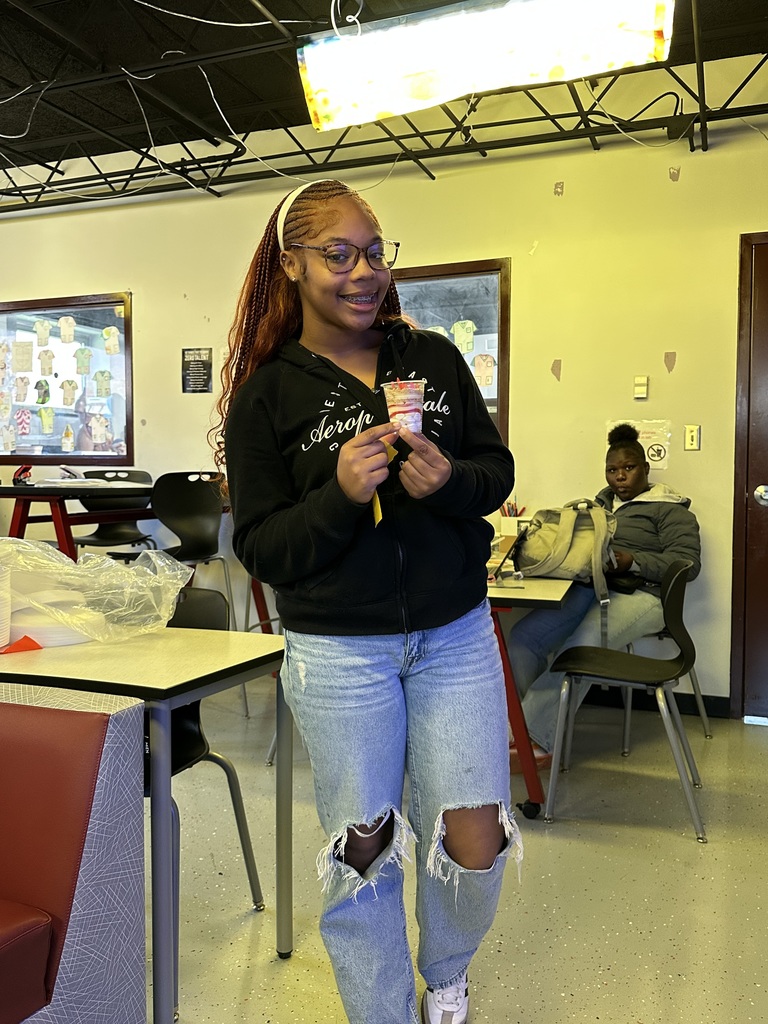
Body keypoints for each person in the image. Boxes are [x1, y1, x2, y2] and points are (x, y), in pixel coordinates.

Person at [212, 178, 522, 1024]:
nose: (362, 273)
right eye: (337, 255)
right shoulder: (267, 397)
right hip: (339, 652)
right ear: (291, 266)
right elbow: (264, 547)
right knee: (365, 849)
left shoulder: (434, 360)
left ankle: (446, 975)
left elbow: (498, 474)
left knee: (474, 838)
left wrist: (450, 480)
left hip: (453, 634)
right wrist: (342, 494)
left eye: (375, 253)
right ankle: (382, 1014)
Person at [507, 422, 701, 770]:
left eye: (628, 469)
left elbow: (687, 562)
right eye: (612, 470)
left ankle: (537, 736)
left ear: (646, 468)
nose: (620, 477)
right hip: (592, 589)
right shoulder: (599, 505)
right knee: (523, 637)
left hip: (643, 595)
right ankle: (523, 726)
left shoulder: (669, 508)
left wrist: (634, 561)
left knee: (579, 647)